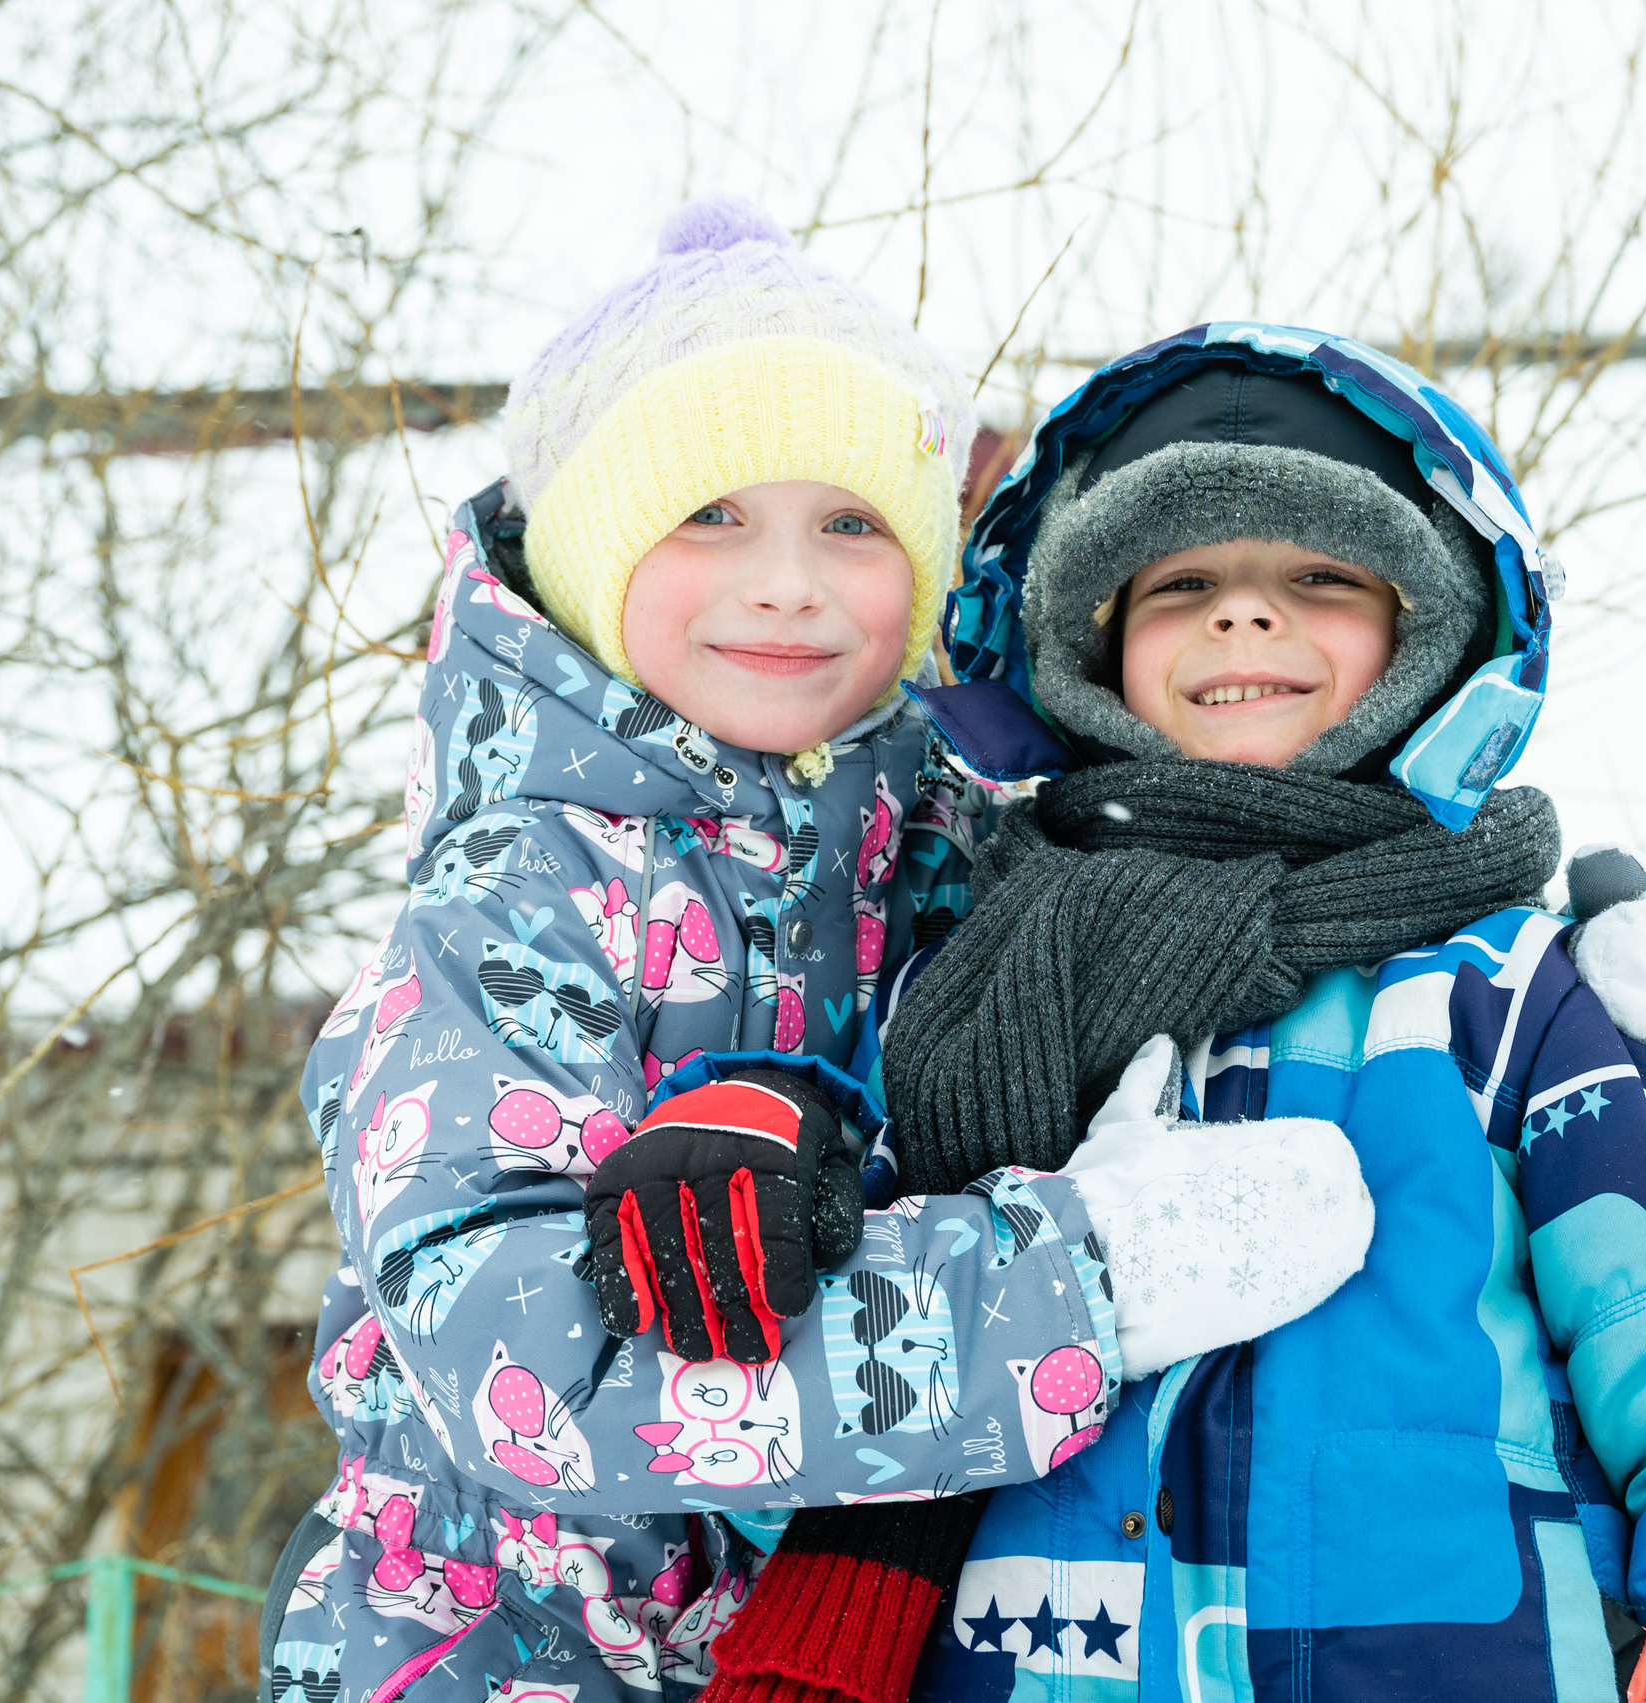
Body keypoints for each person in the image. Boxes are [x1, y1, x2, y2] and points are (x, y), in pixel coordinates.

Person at [263, 208, 1376, 1703]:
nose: (786, 582)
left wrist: (1622, 998)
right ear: (593, 552)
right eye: (709, 513)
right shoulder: (518, 892)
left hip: (844, 1648)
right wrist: (1079, 1285)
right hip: (503, 1656)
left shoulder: (938, 836)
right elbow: (520, 1369)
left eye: (852, 523)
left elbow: (1222, 874)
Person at [696, 332, 1646, 1703]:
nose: (1244, 617)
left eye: (1321, 575)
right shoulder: (957, 989)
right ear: (1089, 645)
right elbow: (789, 1401)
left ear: (1428, 633)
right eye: (1186, 583)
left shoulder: (1510, 1004)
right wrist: (757, 1135)